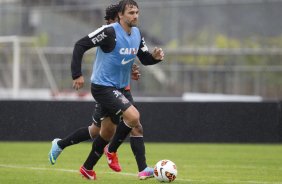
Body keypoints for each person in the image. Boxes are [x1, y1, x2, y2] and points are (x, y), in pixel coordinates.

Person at [48, 2, 159, 180]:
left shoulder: (137, 33)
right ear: (120, 16)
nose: (135, 15)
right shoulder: (109, 32)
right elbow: (81, 45)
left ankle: (84, 164)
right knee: (133, 117)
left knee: (103, 132)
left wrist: (152, 59)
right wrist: (77, 74)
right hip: (104, 87)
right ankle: (113, 151)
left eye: (137, 12)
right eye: (131, 12)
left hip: (121, 88)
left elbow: (138, 58)